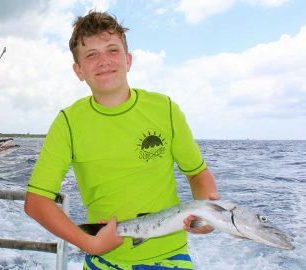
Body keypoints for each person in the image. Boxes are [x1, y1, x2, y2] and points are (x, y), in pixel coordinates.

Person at [24, 11, 220, 269]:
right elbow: (36, 202)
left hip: (171, 257)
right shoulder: (67, 123)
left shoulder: (166, 109)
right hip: (104, 260)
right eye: (91, 55)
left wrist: (207, 215)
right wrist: (89, 243)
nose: (104, 61)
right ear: (78, 70)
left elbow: (197, 173)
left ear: (128, 60)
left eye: (112, 50)